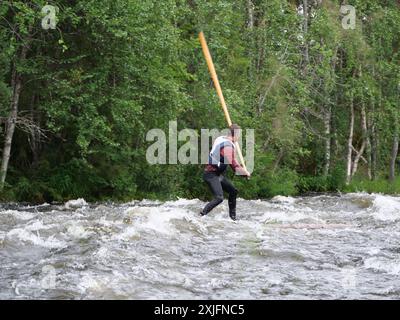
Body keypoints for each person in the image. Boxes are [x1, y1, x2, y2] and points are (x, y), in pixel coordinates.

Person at [200, 124, 251, 221]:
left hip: (217, 174)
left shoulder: (220, 138)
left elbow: (230, 159)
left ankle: (233, 219)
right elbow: (235, 167)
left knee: (233, 191)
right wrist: (245, 173)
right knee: (219, 198)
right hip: (210, 174)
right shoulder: (228, 147)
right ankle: (202, 215)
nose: (239, 137)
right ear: (236, 135)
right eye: (239, 135)